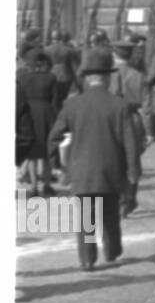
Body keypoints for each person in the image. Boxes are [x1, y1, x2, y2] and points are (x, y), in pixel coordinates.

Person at [45, 49, 141, 271]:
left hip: (82, 171)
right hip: (111, 169)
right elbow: (130, 144)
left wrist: (58, 167)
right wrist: (133, 172)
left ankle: (88, 259)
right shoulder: (120, 105)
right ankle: (112, 251)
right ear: (108, 78)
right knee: (110, 213)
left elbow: (54, 137)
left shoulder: (72, 105)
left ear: (87, 78)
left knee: (86, 217)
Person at [18, 50, 63, 195]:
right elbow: (55, 101)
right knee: (47, 151)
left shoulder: (22, 78)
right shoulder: (51, 78)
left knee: (31, 153)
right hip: (47, 114)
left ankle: (33, 186)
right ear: (43, 63)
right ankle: (46, 184)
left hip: (28, 114)